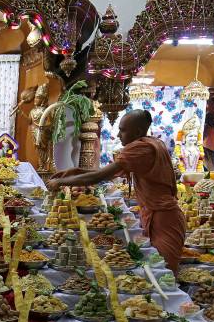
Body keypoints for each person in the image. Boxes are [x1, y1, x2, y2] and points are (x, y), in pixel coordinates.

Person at [48, 109, 186, 273]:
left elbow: (99, 176)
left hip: (164, 218)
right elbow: (106, 173)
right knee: (158, 268)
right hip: (158, 214)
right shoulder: (151, 143)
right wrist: (75, 172)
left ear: (138, 132)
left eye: (122, 130)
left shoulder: (140, 149)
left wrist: (60, 182)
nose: (118, 134)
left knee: (165, 272)